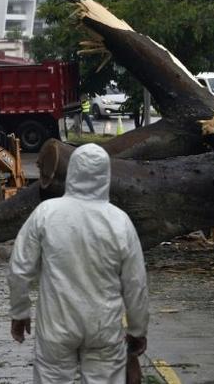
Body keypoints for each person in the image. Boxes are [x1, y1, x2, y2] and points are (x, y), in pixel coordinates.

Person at [8, 143, 149, 383]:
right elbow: (135, 283)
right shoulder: (119, 221)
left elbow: (19, 269)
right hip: (103, 327)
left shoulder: (46, 213)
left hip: (56, 326)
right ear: (106, 175)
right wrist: (137, 330)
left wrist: (20, 312)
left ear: (71, 171)